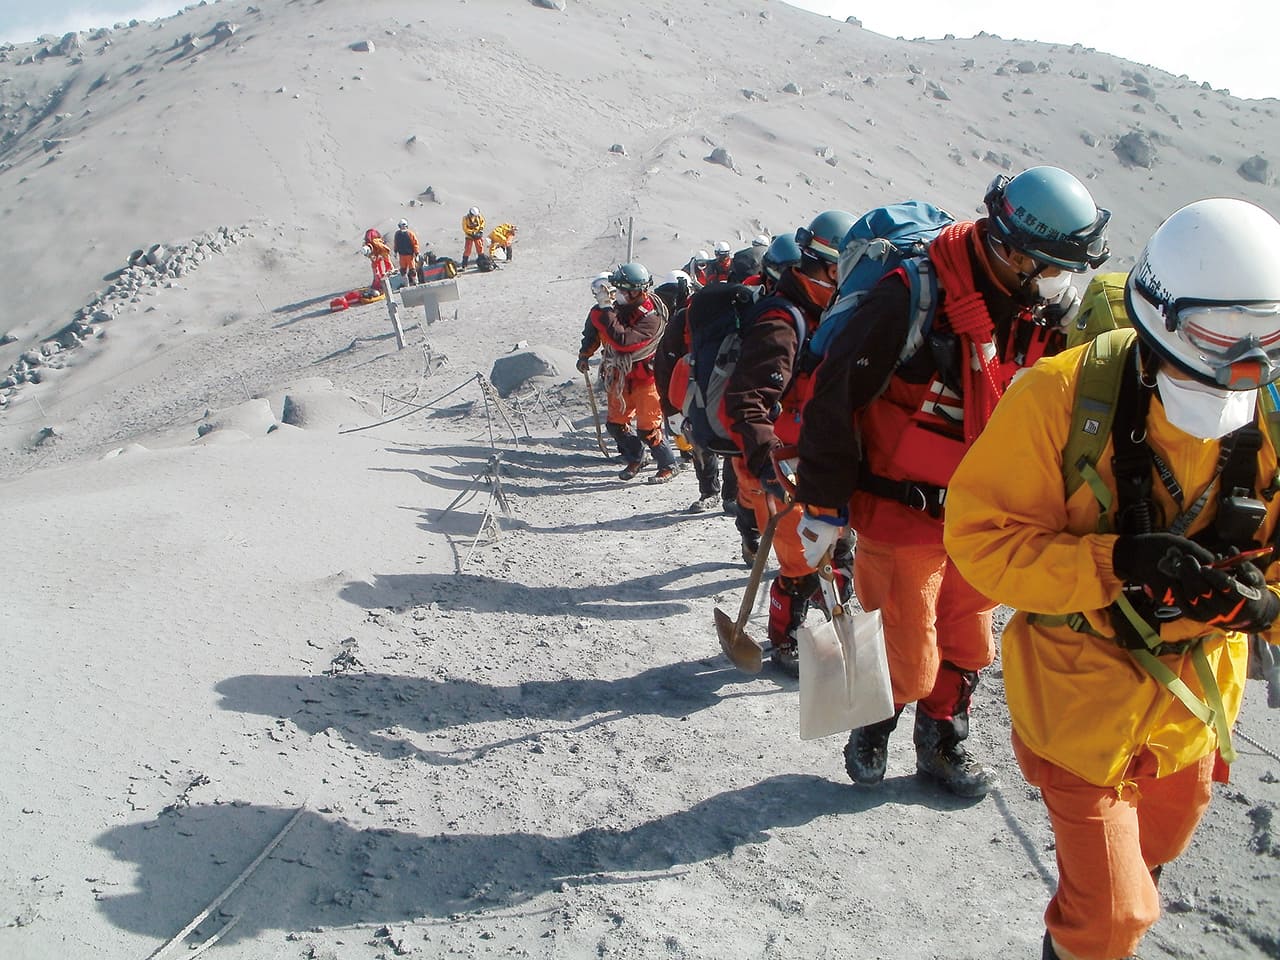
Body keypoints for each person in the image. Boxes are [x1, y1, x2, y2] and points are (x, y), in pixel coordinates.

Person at [943, 197, 1280, 960]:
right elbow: (981, 539)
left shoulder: (1272, 418)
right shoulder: (1060, 400)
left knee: (1166, 833)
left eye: (1267, 338)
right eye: (1218, 337)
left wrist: (1262, 606)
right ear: (1162, 316)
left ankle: (1102, 899)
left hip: (1192, 707)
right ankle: (1090, 930)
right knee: (1116, 919)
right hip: (1077, 693)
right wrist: (1113, 562)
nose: (1245, 363)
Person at [793, 166, 1110, 796]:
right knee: (908, 651)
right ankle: (874, 722)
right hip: (899, 510)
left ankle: (943, 740)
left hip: (987, 510)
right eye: (1051, 267)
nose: (1061, 283)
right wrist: (824, 505)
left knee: (969, 638)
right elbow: (835, 395)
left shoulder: (1037, 310)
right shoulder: (909, 294)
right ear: (1011, 252)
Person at [724, 210, 857, 676]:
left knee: (837, 551)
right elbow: (748, 400)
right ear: (828, 266)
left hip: (807, 462)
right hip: (780, 467)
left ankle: (823, 621)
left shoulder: (813, 311)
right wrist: (767, 468)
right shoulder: (782, 319)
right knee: (800, 566)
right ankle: (784, 642)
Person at [577, 262, 679, 483]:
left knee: (648, 428)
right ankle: (636, 456)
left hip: (646, 376)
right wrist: (585, 354)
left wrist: (605, 310)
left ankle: (668, 464)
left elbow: (623, 341)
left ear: (638, 291)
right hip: (621, 376)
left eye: (624, 291)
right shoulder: (615, 309)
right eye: (618, 290)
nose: (620, 294)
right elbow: (596, 329)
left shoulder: (652, 317)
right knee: (615, 424)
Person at [361, 228, 393, 292]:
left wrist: (382, 256)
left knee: (387, 265)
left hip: (383, 252)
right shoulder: (365, 246)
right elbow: (372, 259)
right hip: (376, 254)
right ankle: (378, 280)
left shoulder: (377, 243)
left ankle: (390, 279)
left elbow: (386, 250)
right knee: (375, 268)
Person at [393, 219, 419, 285]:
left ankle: (415, 282)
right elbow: (396, 243)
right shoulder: (397, 234)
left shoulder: (410, 234)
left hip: (410, 256)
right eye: (401, 226)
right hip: (402, 256)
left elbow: (415, 244)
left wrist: (417, 253)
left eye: (404, 225)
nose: (403, 227)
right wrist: (395, 252)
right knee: (403, 271)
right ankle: (406, 284)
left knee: (412, 270)